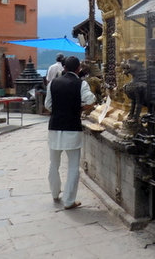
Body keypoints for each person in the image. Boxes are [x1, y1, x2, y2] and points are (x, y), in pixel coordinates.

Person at [44, 56, 95, 210]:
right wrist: (79, 109)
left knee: (54, 163)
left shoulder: (53, 83)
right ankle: (69, 201)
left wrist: (59, 111)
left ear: (64, 68)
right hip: (72, 127)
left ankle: (54, 193)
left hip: (54, 127)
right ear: (78, 69)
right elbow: (91, 100)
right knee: (73, 166)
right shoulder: (81, 84)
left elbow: (48, 105)